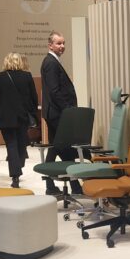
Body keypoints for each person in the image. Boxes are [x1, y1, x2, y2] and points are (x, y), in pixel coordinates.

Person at [40, 31, 80, 195]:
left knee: (59, 148)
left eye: (63, 43)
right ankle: (69, 185)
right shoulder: (51, 63)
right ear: (50, 45)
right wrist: (67, 110)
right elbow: (55, 91)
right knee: (61, 148)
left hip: (57, 113)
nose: (62, 46)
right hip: (58, 114)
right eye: (58, 43)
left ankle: (66, 185)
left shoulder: (53, 61)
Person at [0, 53, 39, 188]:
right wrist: (32, 113)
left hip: (5, 117)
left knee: (11, 145)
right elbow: (33, 97)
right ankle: (18, 167)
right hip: (23, 116)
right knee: (21, 143)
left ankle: (15, 175)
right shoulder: (27, 76)